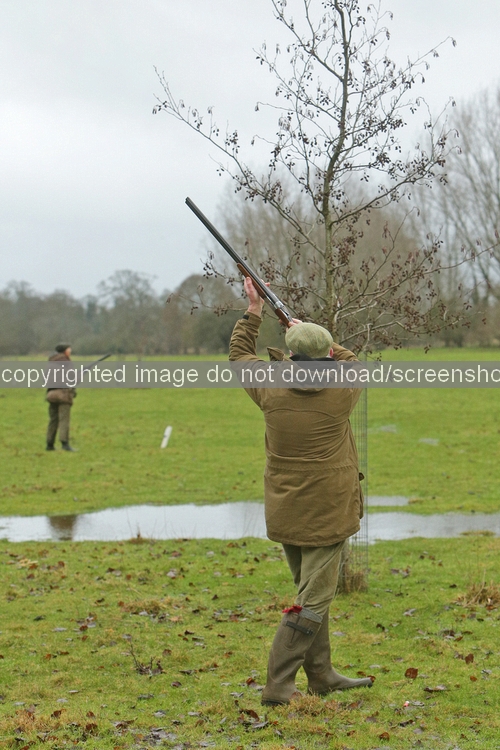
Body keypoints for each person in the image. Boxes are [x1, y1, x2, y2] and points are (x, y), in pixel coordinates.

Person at [229, 277, 373, 705]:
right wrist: (310, 334)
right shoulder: (344, 386)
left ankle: (321, 674)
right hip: (329, 509)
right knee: (314, 597)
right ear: (327, 355)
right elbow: (350, 359)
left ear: (290, 355)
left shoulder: (268, 385)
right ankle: (278, 685)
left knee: (310, 591)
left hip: (286, 506)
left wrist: (255, 310)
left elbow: (239, 354)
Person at [46, 344, 77, 452]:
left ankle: (49, 444)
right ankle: (65, 443)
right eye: (69, 349)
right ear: (65, 351)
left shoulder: (51, 362)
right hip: (63, 394)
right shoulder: (67, 362)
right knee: (64, 419)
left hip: (51, 393)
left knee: (53, 420)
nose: (70, 351)